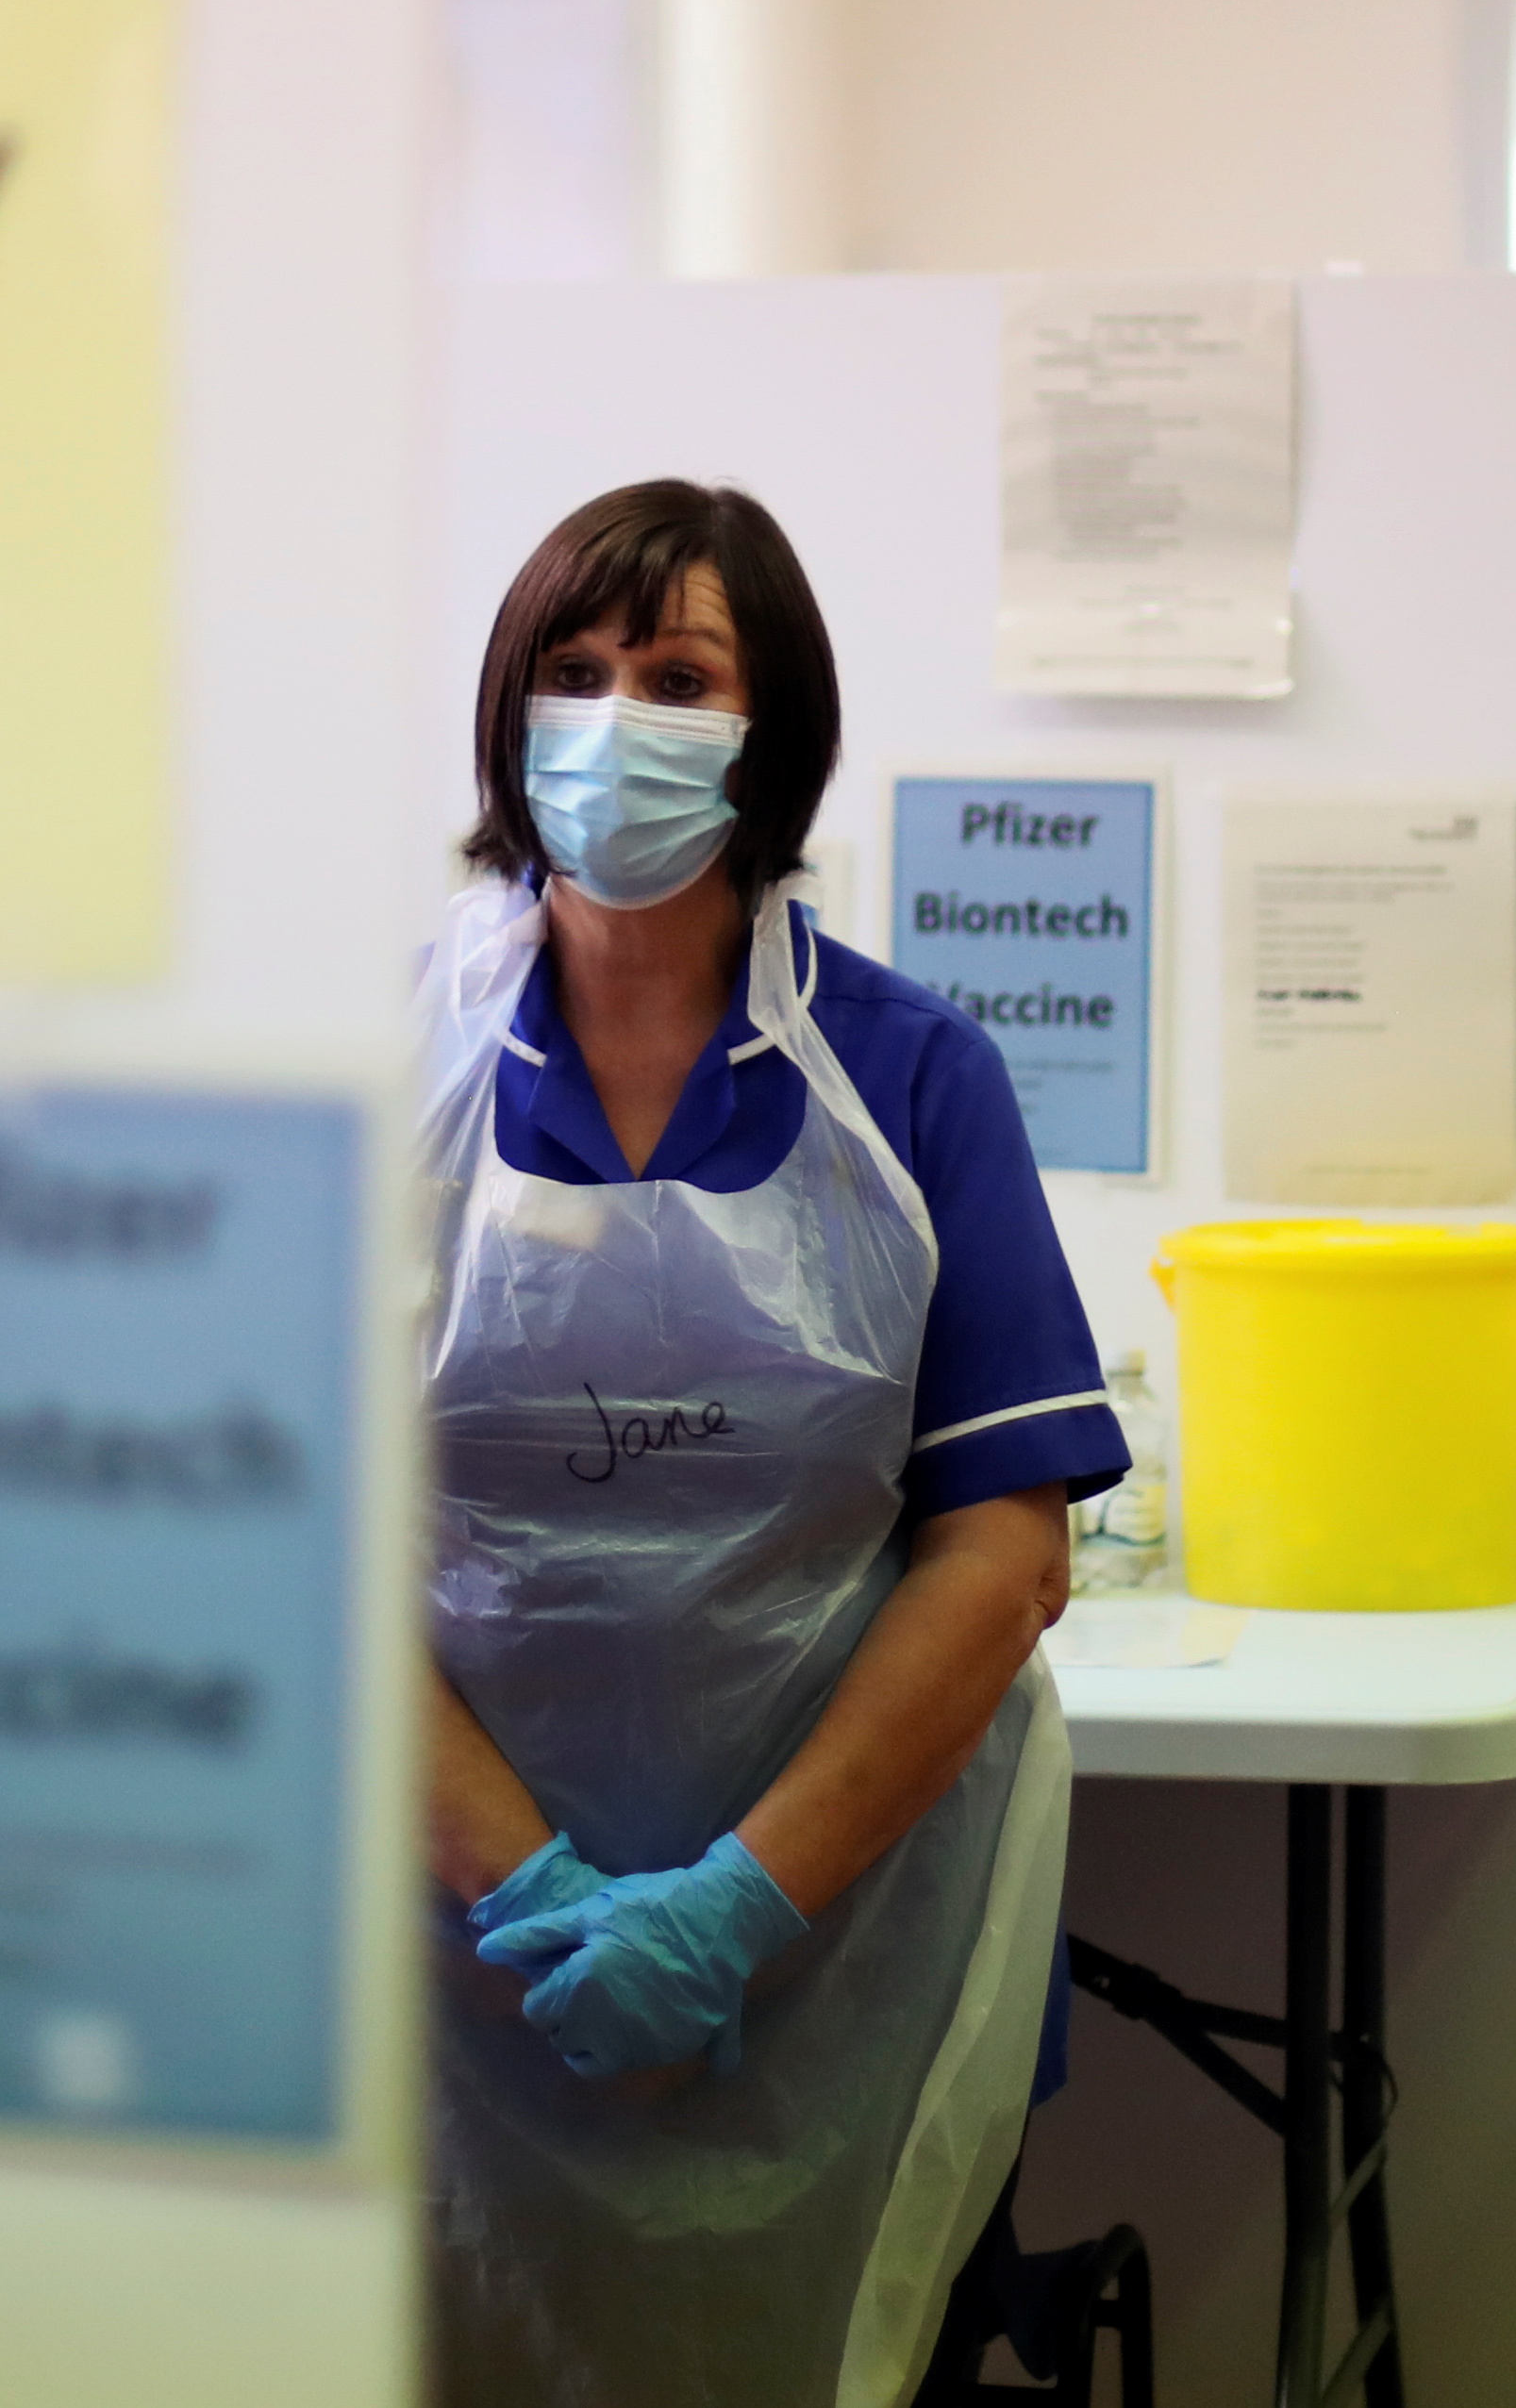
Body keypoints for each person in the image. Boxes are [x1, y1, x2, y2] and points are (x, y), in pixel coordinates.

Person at [416, 478, 1131, 2408]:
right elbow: (276, 1533)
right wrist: (534, 1902)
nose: (614, 718)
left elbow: (1004, 1551)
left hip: (852, 1937)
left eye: (676, 674)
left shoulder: (912, 1079)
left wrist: (734, 1909)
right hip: (446, 1958)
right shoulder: (377, 1079)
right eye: (571, 672)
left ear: (769, 729)